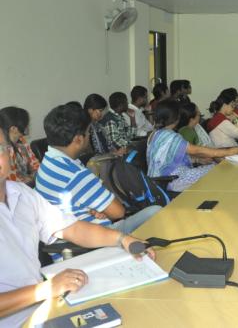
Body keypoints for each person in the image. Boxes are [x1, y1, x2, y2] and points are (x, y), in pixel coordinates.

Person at [0, 124, 154, 328]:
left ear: (9, 153)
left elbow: (72, 228)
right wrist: (45, 289)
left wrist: (122, 239)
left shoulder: (21, 193)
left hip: (44, 308)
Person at [35, 104, 161, 232]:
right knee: (156, 211)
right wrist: (102, 209)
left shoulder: (47, 161)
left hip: (67, 232)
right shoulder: (77, 174)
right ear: (78, 139)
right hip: (96, 237)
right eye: (88, 132)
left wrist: (93, 209)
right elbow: (118, 212)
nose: (89, 136)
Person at [147, 100, 238, 192]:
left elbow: (169, 158)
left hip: (159, 180)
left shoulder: (155, 133)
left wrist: (197, 160)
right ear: (176, 117)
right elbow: (197, 151)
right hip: (172, 180)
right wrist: (229, 152)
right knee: (216, 170)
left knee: (214, 168)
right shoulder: (171, 137)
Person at [0, 107, 39, 186]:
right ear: (14, 129)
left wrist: (34, 175)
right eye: (25, 125)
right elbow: (8, 181)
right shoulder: (2, 151)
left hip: (28, 185)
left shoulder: (21, 140)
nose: (27, 127)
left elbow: (35, 163)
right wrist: (29, 180)